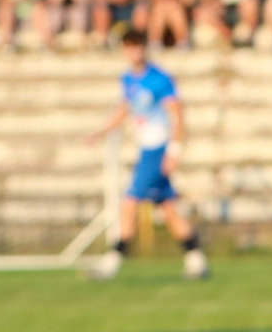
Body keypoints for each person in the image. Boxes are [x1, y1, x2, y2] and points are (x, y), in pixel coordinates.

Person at [87, 28, 210, 282]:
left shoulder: (159, 79)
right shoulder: (128, 79)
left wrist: (174, 151)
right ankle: (197, 261)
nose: (135, 51)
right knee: (169, 208)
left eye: (138, 45)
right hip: (145, 148)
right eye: (130, 46)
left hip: (157, 149)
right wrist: (100, 132)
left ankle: (113, 261)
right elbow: (124, 109)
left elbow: (177, 114)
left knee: (129, 202)